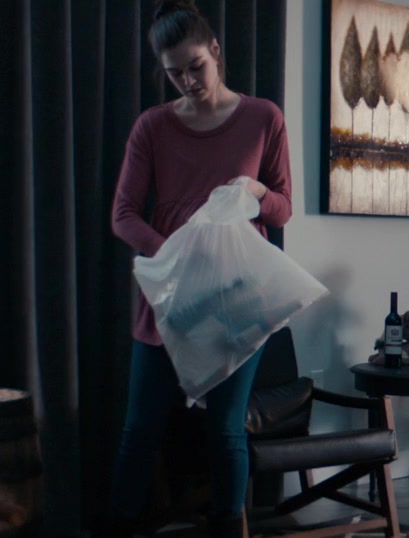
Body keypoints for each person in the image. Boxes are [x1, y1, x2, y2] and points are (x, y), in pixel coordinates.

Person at [104, 1, 292, 536]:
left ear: (215, 51)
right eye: (174, 73)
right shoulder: (153, 126)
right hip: (171, 295)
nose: (187, 81)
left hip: (237, 294)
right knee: (141, 429)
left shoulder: (264, 118)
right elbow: (123, 215)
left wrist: (255, 190)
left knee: (226, 430)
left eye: (195, 67)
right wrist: (175, 256)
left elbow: (282, 209)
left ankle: (227, 528)